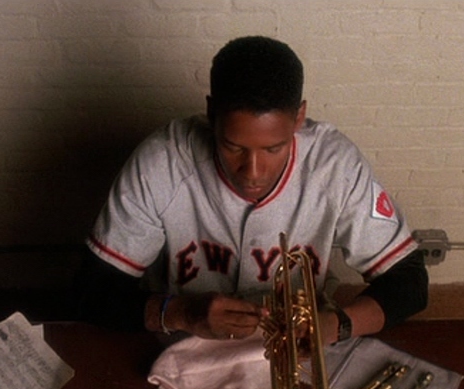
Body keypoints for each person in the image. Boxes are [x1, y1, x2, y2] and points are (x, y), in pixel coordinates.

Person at [71, 36, 428, 346]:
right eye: (234, 146)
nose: (252, 172)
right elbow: (91, 293)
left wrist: (336, 325)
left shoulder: (334, 166)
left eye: (273, 148)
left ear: (299, 118)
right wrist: (182, 313)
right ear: (211, 114)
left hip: (297, 346)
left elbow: (409, 281)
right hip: (182, 341)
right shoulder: (163, 160)